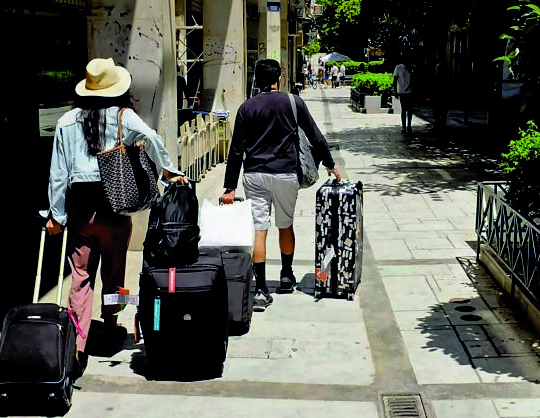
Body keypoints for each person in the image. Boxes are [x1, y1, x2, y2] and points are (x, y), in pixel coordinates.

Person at [44, 57, 188, 378]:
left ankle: (78, 342)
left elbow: (57, 173)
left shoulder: (66, 121)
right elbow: (152, 138)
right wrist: (167, 172)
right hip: (115, 211)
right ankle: (110, 325)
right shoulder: (123, 116)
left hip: (81, 212)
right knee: (114, 274)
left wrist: (56, 214)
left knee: (80, 277)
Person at [220, 59, 341, 312]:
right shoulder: (294, 102)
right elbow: (315, 136)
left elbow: (236, 150)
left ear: (257, 79)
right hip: (286, 173)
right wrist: (330, 164)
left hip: (255, 174)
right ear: (279, 78)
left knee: (259, 230)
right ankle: (286, 276)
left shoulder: (246, 108)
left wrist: (230, 187)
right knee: (285, 225)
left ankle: (261, 290)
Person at [393, 62, 413, 134]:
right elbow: (395, 80)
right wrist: (395, 91)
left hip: (408, 91)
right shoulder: (399, 67)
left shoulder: (409, 67)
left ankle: (408, 126)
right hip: (403, 91)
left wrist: (395, 91)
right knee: (405, 109)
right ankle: (405, 126)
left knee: (408, 110)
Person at [432, 62, 450, 135]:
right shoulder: (446, 76)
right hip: (444, 97)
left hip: (437, 97)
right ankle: (442, 125)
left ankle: (438, 125)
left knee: (436, 112)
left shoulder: (435, 76)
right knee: (443, 113)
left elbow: (433, 87)